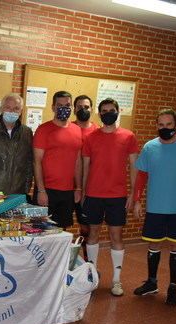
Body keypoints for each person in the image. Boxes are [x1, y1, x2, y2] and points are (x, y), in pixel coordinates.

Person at [132, 108, 176, 306]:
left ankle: (173, 287)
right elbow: (141, 176)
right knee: (153, 245)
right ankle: (152, 283)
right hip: (155, 207)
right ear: (157, 126)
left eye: (169, 125)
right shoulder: (149, 147)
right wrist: (137, 200)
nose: (165, 128)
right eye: (161, 125)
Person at [82, 98, 138, 297]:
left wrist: (134, 194)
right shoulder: (90, 137)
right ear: (99, 113)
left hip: (117, 196)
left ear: (117, 111)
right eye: (104, 111)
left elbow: (134, 166)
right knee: (93, 234)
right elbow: (86, 166)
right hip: (93, 195)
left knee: (116, 236)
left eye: (111, 110)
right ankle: (92, 276)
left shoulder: (128, 136)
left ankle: (116, 280)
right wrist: (82, 190)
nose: (108, 113)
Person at [33, 90, 83, 229]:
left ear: (72, 107)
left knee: (62, 231)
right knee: (41, 230)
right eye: (60, 105)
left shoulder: (77, 130)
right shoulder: (43, 129)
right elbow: (36, 162)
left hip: (68, 192)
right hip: (47, 191)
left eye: (67, 105)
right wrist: (41, 191)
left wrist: (78, 188)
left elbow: (78, 162)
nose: (64, 108)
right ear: (53, 107)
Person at [72, 94, 98, 257]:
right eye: (80, 107)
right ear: (74, 109)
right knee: (60, 227)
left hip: (89, 188)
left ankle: (88, 263)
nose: (83, 110)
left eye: (86, 107)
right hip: (67, 186)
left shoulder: (98, 131)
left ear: (92, 109)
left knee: (86, 228)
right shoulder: (68, 128)